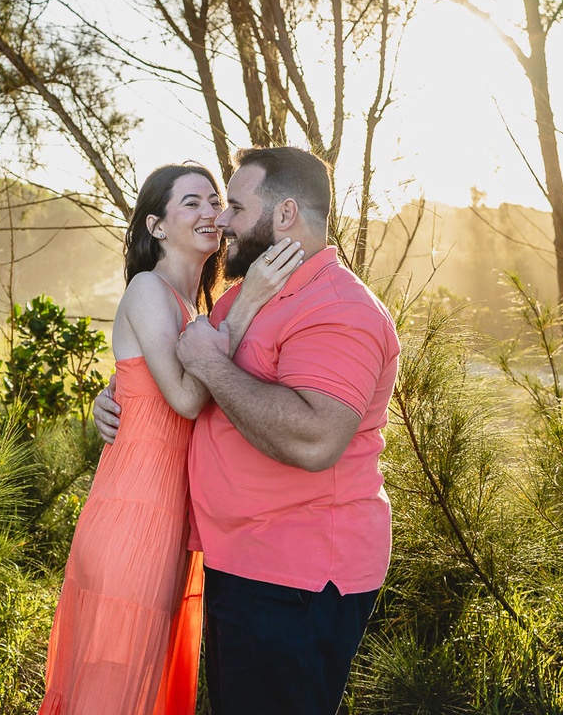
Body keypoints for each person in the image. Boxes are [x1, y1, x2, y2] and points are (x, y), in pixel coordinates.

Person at [94, 147, 400, 715]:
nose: (223, 220)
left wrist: (212, 365)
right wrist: (118, 396)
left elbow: (315, 439)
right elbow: (176, 372)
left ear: (284, 215)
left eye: (233, 205)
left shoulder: (336, 308)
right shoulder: (246, 294)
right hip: (240, 561)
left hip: (297, 576)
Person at [38, 163, 302, 715]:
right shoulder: (148, 289)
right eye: (192, 203)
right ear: (156, 226)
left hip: (173, 520)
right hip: (133, 516)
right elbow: (184, 398)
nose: (211, 213)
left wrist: (112, 395)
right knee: (113, 690)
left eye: (214, 201)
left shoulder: (195, 309)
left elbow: (159, 393)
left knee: (146, 682)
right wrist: (249, 301)